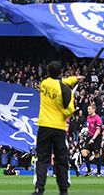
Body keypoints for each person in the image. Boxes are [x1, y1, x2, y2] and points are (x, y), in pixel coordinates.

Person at [33, 61, 81, 195]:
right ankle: (63, 190)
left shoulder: (44, 83)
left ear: (48, 72)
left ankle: (39, 189)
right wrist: (62, 111)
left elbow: (59, 82)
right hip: (59, 127)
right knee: (61, 160)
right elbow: (70, 110)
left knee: (42, 159)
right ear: (61, 72)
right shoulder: (65, 90)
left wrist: (74, 79)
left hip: (44, 126)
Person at [83, 104, 103, 176]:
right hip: (90, 136)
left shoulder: (98, 118)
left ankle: (99, 172)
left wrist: (93, 139)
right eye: (88, 109)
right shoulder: (88, 117)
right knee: (84, 152)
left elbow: (98, 130)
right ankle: (89, 171)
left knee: (97, 155)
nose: (88, 110)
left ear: (93, 110)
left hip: (97, 138)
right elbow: (89, 127)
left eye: (89, 109)